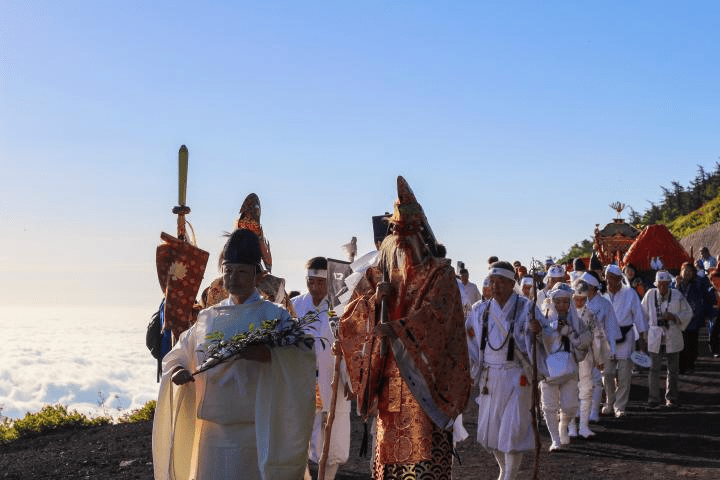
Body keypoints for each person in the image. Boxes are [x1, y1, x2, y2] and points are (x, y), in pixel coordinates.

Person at [152, 229, 316, 480]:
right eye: (228, 271)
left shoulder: (274, 315)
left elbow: (302, 352)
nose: (233, 277)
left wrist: (268, 355)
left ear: (256, 275)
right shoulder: (208, 317)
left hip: (257, 432)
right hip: (212, 434)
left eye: (241, 271)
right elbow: (178, 355)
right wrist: (178, 371)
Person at [338, 176, 471, 480]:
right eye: (396, 234)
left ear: (421, 234)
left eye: (408, 234)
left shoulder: (441, 273)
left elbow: (439, 318)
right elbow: (348, 320)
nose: (402, 242)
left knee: (423, 463)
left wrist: (397, 329)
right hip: (389, 383)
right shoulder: (379, 273)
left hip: (424, 382)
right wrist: (373, 302)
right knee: (389, 462)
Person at [466, 261, 546, 479]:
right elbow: (469, 342)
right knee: (490, 434)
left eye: (501, 282)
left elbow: (549, 336)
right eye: (493, 281)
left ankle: (509, 476)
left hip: (516, 375)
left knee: (513, 430)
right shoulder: (479, 310)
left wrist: (538, 332)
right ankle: (504, 469)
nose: (496, 286)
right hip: (489, 378)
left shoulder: (527, 307)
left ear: (512, 284)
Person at [291, 257, 351, 480]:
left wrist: (351, 381)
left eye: (319, 282)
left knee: (331, 441)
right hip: (302, 384)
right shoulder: (295, 306)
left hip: (332, 381)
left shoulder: (340, 308)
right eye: (310, 282)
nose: (314, 287)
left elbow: (350, 348)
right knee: (302, 438)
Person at [539, 283, 591, 451]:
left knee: (570, 406)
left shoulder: (577, 321)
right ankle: (555, 439)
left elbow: (585, 343)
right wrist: (546, 331)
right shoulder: (544, 320)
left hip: (569, 369)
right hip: (548, 369)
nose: (561, 305)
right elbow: (536, 341)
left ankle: (564, 424)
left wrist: (569, 333)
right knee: (549, 406)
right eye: (558, 301)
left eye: (565, 301)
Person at [642, 270, 693, 408]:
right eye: (660, 285)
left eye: (665, 285)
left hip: (672, 335)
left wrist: (675, 317)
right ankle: (653, 399)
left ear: (670, 284)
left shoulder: (677, 295)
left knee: (673, 369)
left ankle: (671, 397)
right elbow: (643, 315)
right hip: (655, 336)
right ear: (656, 284)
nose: (663, 288)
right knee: (654, 369)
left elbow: (688, 312)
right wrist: (642, 335)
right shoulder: (650, 294)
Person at [602, 264, 648, 418]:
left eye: (613, 279)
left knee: (624, 374)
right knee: (607, 373)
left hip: (626, 335)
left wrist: (641, 337)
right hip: (608, 338)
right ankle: (609, 402)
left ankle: (620, 406)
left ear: (619, 279)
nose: (610, 282)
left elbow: (638, 315)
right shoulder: (602, 295)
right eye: (608, 278)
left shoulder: (630, 293)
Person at [574, 271, 621, 417]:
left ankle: (601, 407)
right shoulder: (576, 301)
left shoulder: (605, 304)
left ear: (592, 288)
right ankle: (582, 409)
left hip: (600, 345)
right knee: (581, 378)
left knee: (603, 377)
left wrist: (612, 349)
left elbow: (611, 327)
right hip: (581, 345)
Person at [572, 289, 609, 436]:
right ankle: (570, 427)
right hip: (568, 357)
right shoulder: (565, 314)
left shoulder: (590, 315)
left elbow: (598, 338)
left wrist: (599, 359)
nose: (579, 302)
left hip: (586, 357)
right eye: (577, 298)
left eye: (582, 299)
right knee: (570, 391)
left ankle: (584, 426)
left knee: (586, 391)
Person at [676, 262, 714, 374]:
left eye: (690, 271)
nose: (687, 273)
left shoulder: (697, 285)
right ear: (681, 272)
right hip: (679, 319)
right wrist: (677, 286)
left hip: (693, 319)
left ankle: (690, 365)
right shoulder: (675, 284)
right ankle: (681, 366)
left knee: (691, 343)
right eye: (685, 270)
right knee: (680, 343)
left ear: (693, 273)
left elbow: (701, 300)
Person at [708, 269, 720, 357]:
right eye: (713, 280)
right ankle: (715, 351)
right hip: (714, 314)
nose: (715, 282)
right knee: (713, 333)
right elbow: (707, 303)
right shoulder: (710, 291)